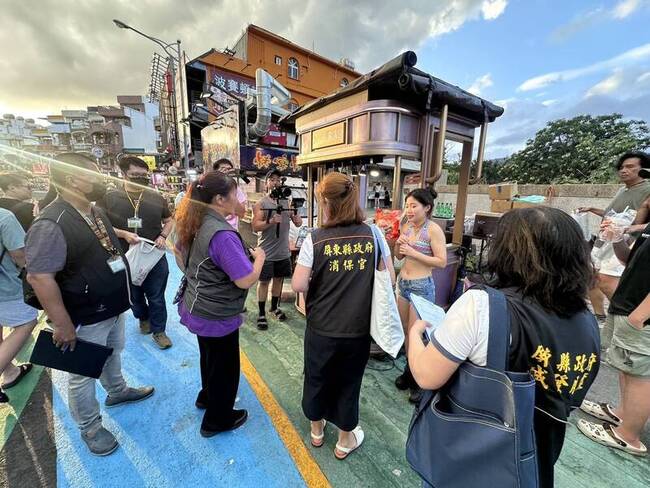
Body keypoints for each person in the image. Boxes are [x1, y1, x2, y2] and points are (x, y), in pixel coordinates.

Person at [408, 207, 600, 488]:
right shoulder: (587, 320)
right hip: (534, 463)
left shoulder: (482, 305)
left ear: (507, 251)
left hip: (472, 457)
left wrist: (414, 334)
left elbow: (427, 376)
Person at [25, 153, 154, 456]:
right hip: (84, 313)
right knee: (82, 374)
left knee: (113, 351)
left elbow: (101, 239)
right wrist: (62, 324)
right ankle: (91, 428)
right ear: (72, 180)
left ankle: (117, 391)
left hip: (110, 305)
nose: (102, 179)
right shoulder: (52, 222)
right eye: (94, 175)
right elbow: (39, 277)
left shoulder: (92, 210)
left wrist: (124, 234)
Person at [292, 172, 395, 460]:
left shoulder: (315, 239)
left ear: (326, 203)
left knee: (316, 376)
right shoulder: (373, 234)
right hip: (357, 329)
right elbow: (389, 277)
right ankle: (344, 441)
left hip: (321, 326)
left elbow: (298, 284)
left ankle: (316, 430)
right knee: (349, 383)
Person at [174, 171, 265, 437]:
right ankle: (218, 419)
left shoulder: (193, 220)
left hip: (198, 304)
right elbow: (245, 280)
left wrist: (200, 277)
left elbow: (178, 252)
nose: (239, 199)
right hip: (217, 312)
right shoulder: (221, 234)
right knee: (225, 367)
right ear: (219, 199)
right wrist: (259, 258)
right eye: (235, 194)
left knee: (209, 358)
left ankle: (206, 397)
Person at [578, 219, 650, 456]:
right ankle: (622, 414)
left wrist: (639, 316)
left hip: (640, 315)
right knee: (627, 367)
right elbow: (630, 261)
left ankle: (628, 435)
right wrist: (617, 239)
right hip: (628, 306)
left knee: (640, 375)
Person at [99, 156, 174, 349]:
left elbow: (169, 220)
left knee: (156, 295)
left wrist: (163, 236)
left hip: (153, 255)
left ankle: (159, 331)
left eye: (144, 175)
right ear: (124, 174)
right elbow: (100, 225)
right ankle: (142, 316)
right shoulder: (110, 198)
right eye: (135, 175)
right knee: (133, 295)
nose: (141, 178)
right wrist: (123, 234)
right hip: (124, 256)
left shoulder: (156, 197)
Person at [393, 188, 447, 403]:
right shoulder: (406, 226)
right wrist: (397, 243)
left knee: (417, 334)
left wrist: (414, 252)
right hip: (404, 284)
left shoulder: (433, 230)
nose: (409, 210)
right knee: (406, 331)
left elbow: (441, 262)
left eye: (414, 206)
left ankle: (419, 380)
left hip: (421, 287)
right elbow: (399, 257)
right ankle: (409, 371)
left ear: (427, 208)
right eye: (407, 205)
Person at [579, 152, 650, 308]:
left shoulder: (647, 190)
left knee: (606, 280)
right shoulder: (622, 190)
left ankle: (624, 312)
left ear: (644, 169)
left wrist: (631, 228)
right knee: (591, 275)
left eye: (630, 167)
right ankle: (600, 315)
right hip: (605, 239)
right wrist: (591, 209)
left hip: (626, 242)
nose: (623, 170)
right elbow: (611, 214)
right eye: (622, 167)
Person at [252, 169, 302, 330]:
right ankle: (261, 313)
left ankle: (274, 308)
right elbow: (255, 226)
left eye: (278, 179)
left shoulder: (287, 202)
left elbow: (298, 223)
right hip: (266, 252)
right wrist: (271, 221)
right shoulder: (261, 204)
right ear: (266, 183)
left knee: (279, 280)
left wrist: (296, 217)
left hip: (283, 251)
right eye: (272, 179)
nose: (275, 182)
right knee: (264, 282)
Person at [0, 208, 37, 403]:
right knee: (26, 323)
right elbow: (20, 255)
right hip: (6, 287)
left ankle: (10, 372)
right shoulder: (4, 217)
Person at [213, 158, 247, 231]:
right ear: (215, 172)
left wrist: (231, 192)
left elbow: (241, 213)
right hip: (214, 229)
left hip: (231, 230)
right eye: (222, 169)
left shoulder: (236, 189)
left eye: (229, 169)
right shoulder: (210, 187)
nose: (226, 172)